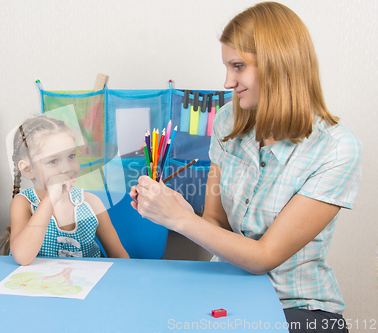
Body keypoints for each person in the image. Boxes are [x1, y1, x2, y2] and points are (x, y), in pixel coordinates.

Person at [130, 2, 361, 332]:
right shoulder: (227, 120)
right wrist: (182, 212)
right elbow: (216, 222)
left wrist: (179, 219)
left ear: (278, 64)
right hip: (228, 289)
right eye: (227, 66)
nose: (227, 81)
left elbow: (265, 257)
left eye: (238, 66)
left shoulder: (337, 149)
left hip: (297, 306)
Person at [4, 115, 129, 265]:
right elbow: (22, 257)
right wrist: (51, 199)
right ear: (28, 169)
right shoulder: (23, 203)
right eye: (53, 161)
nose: (67, 168)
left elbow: (120, 257)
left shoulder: (92, 204)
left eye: (71, 156)